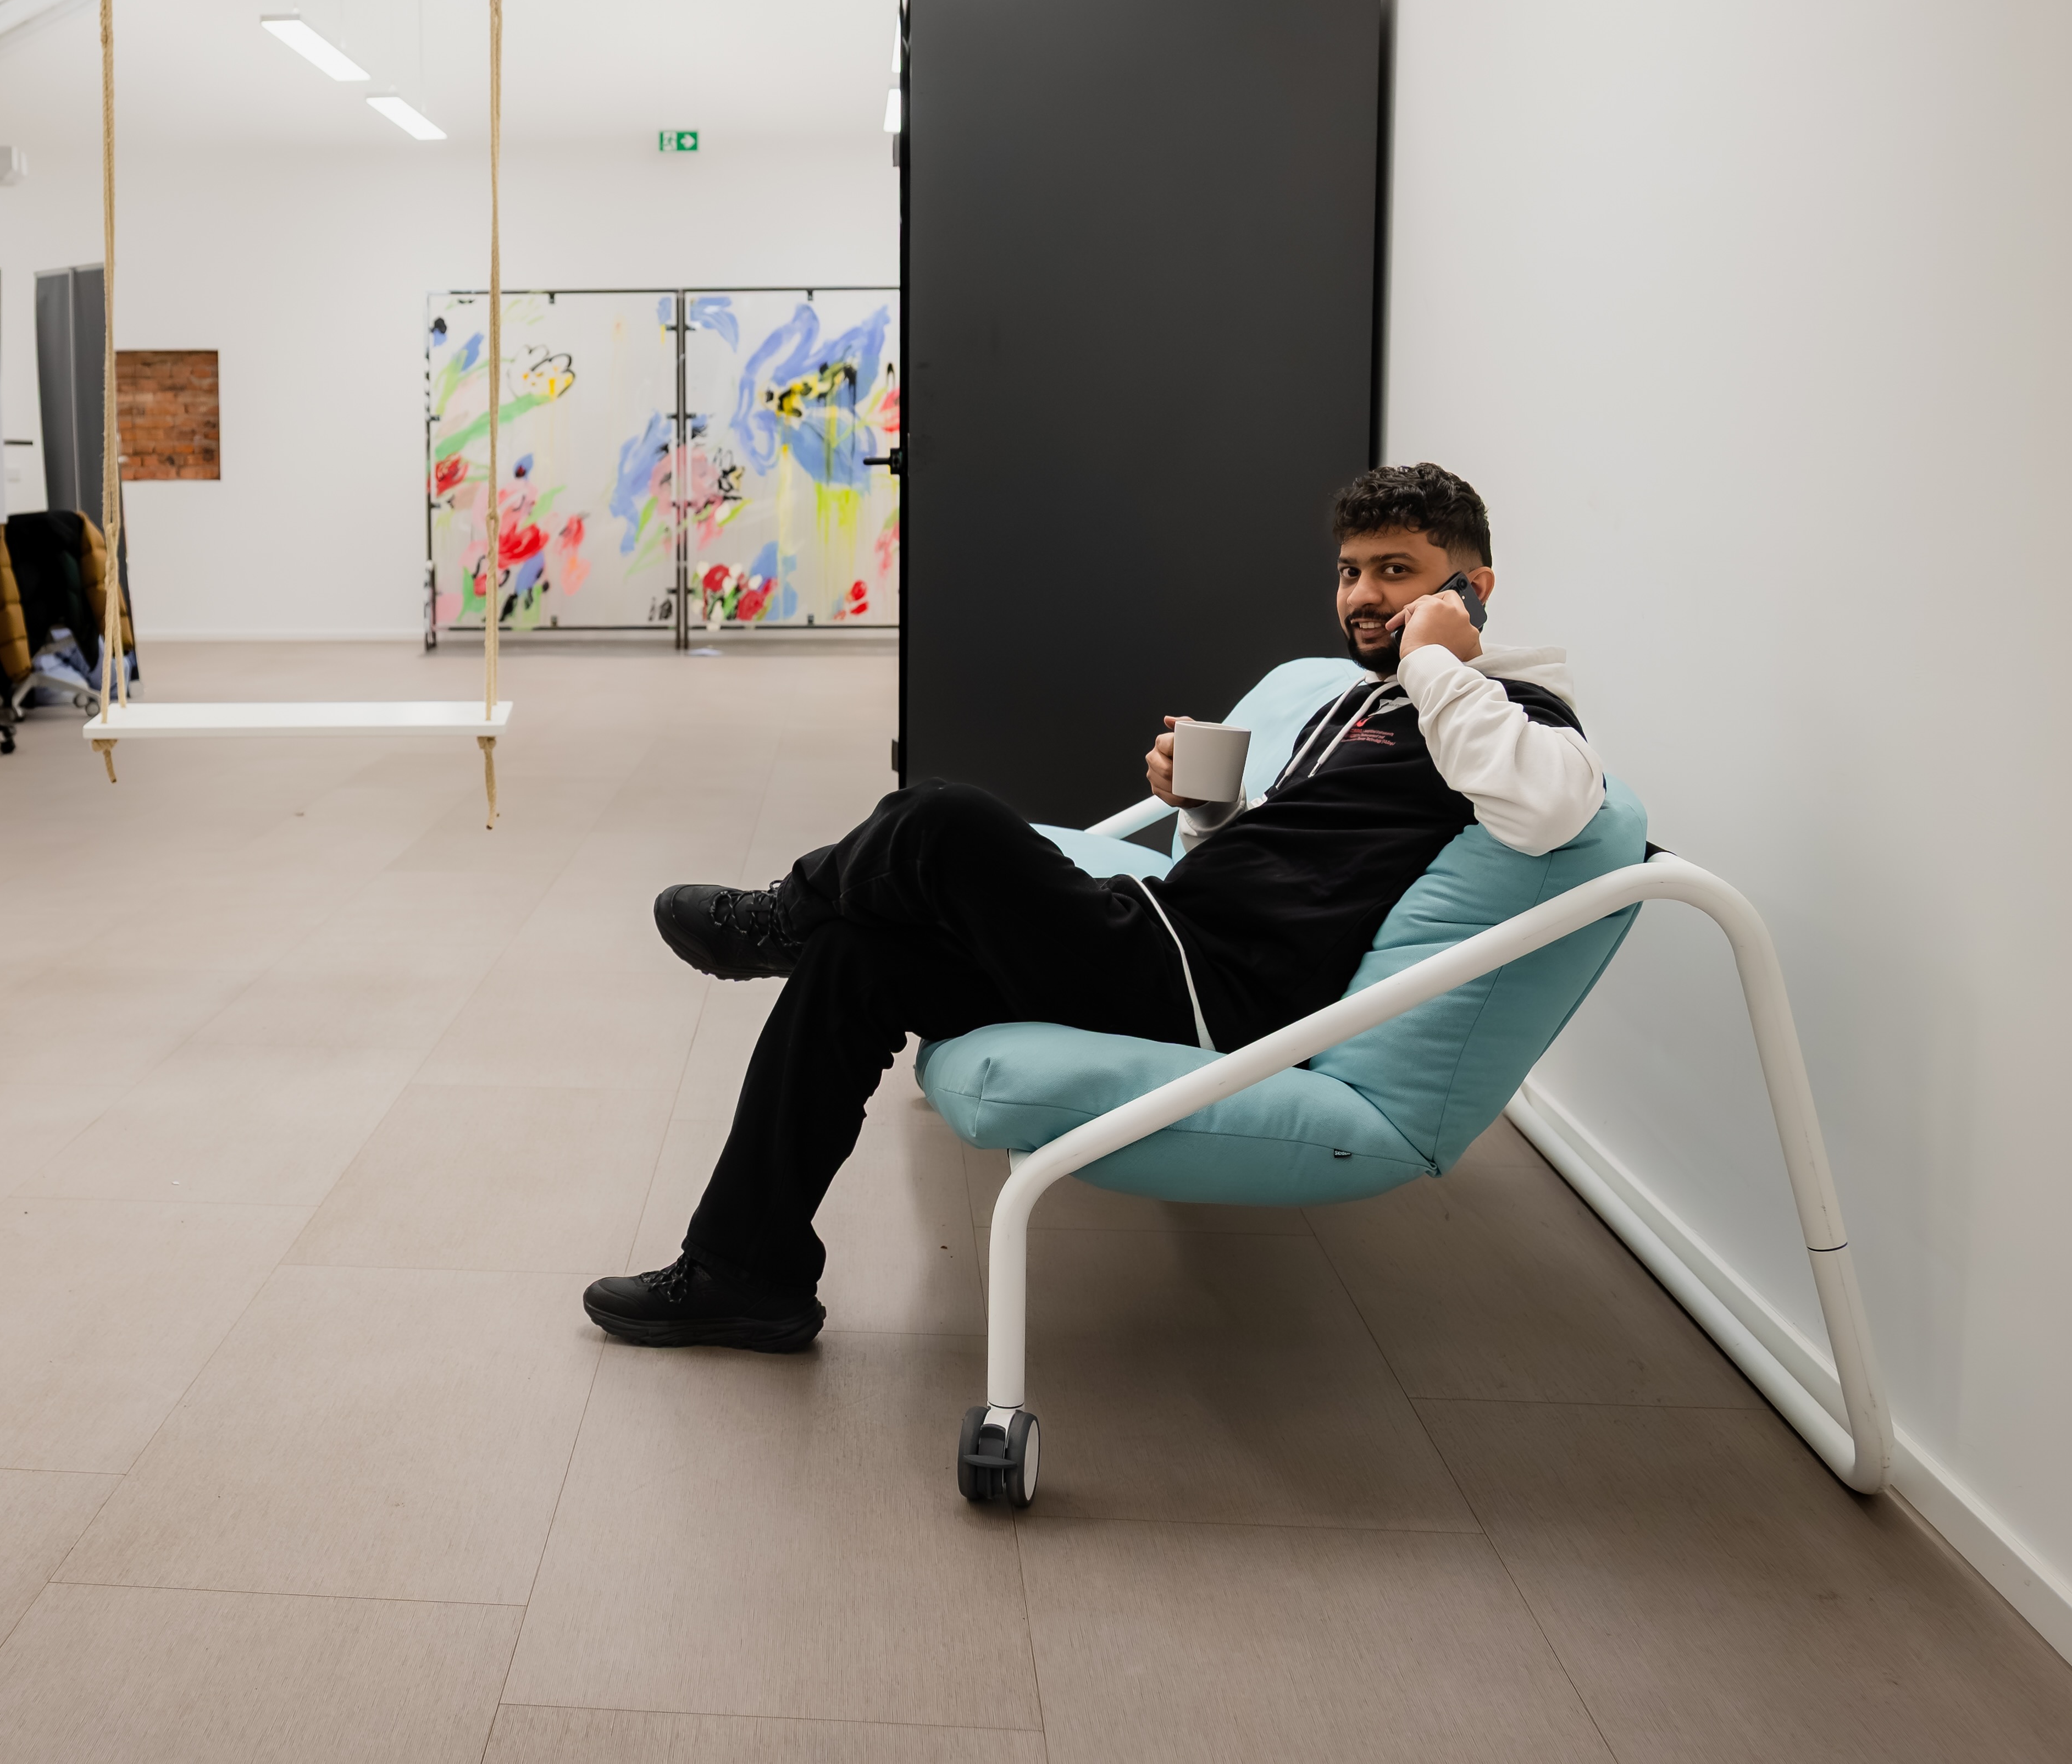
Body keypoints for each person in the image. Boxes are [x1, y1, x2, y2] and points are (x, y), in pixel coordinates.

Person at [584, 463, 1606, 1351]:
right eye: (1350, 572)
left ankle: (774, 921)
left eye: (1397, 572)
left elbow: (1549, 811)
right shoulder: (1361, 704)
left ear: (1470, 589)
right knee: (855, 955)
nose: (1365, 597)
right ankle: (745, 1275)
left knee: (939, 817)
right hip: (1167, 936)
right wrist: (1206, 812)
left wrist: (1437, 660)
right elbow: (1287, 875)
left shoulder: (1521, 715)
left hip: (1216, 993)